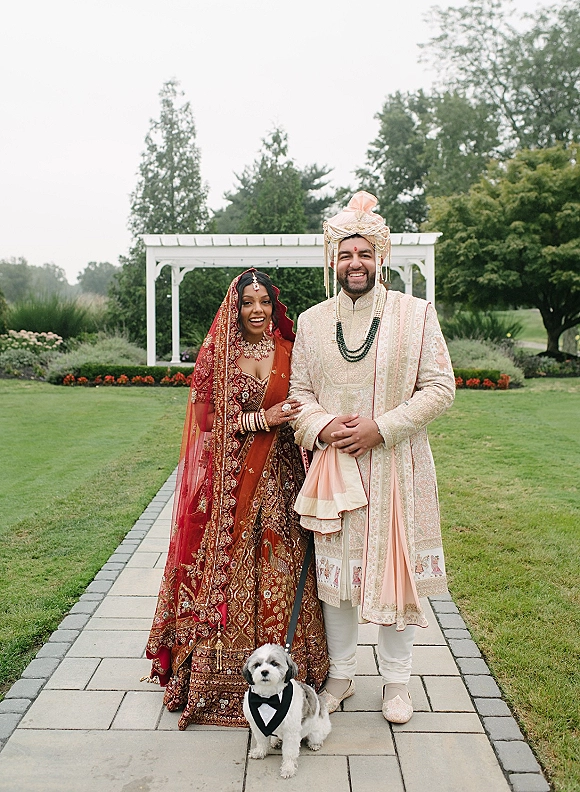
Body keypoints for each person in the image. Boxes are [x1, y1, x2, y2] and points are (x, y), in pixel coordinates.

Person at [289, 191, 455, 724]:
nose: (354, 263)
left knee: (393, 574)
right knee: (336, 577)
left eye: (364, 254)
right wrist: (322, 425)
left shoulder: (415, 314)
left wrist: (381, 428)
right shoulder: (313, 322)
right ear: (332, 260)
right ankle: (340, 676)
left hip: (395, 467)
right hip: (334, 468)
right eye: (344, 254)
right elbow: (298, 394)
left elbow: (439, 387)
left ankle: (397, 684)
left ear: (381, 258)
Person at [146, 269, 328, 728]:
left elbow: (311, 400)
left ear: (273, 306)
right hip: (231, 486)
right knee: (232, 567)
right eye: (248, 302)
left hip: (285, 476)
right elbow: (207, 421)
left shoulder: (291, 351)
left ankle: (292, 669)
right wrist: (260, 419)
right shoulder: (221, 358)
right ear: (235, 307)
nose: (257, 310)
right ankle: (220, 677)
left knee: (285, 564)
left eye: (264, 301)